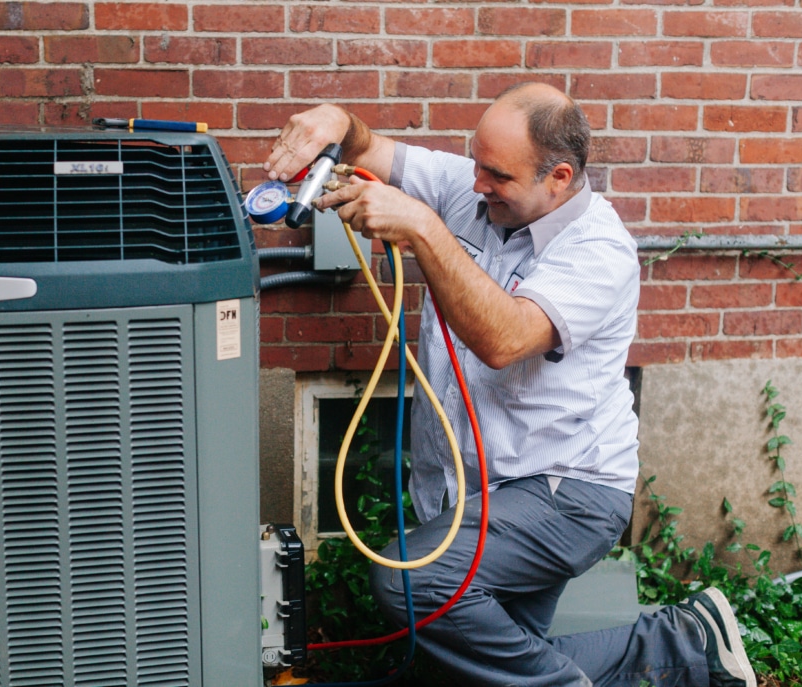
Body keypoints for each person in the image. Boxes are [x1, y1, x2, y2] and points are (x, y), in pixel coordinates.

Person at [265, 82, 756, 687]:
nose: (476, 184)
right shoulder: (474, 190)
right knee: (489, 671)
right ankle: (685, 644)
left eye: (497, 174)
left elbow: (504, 338)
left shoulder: (599, 249)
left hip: (564, 493)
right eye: (476, 163)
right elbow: (368, 148)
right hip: (479, 492)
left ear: (559, 177)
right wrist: (337, 120)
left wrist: (423, 228)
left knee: (409, 580)